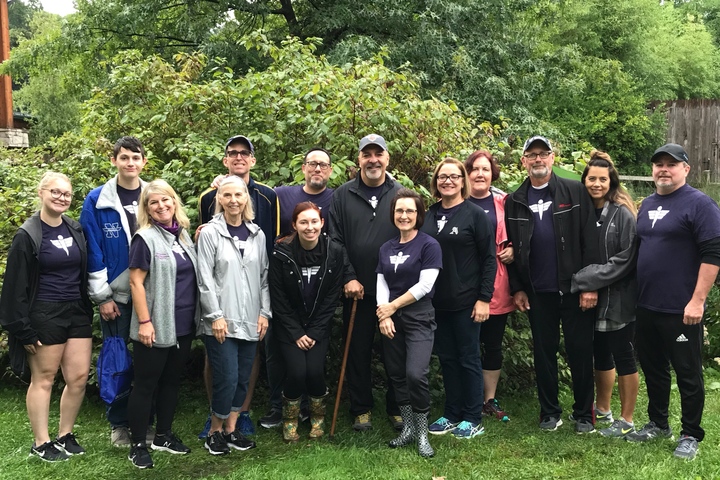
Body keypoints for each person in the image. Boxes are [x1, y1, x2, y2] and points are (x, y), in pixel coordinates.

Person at [625, 143, 720, 460]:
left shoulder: (700, 204)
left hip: (682, 309)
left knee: (688, 372)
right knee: (653, 368)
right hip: (647, 305)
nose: (663, 169)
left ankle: (691, 434)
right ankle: (658, 422)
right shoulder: (647, 203)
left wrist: (698, 301)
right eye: (658, 164)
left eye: (671, 164)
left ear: (685, 169)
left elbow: (713, 254)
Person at [504, 136, 599, 433]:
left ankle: (584, 414)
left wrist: (590, 284)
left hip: (573, 288)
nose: (537, 160)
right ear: (523, 162)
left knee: (580, 350)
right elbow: (512, 247)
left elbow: (590, 242)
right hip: (537, 290)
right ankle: (549, 412)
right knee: (543, 353)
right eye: (531, 155)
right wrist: (518, 287)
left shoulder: (574, 191)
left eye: (543, 154)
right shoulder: (514, 200)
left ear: (553, 157)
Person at [0, 172, 94, 462]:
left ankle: (65, 434)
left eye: (66, 194)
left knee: (77, 377)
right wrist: (22, 329)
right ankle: (41, 442)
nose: (61, 198)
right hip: (44, 311)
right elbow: (14, 287)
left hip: (76, 309)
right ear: (41, 193)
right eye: (55, 192)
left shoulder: (74, 228)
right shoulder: (27, 235)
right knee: (44, 378)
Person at [198, 135, 277, 436]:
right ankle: (216, 426)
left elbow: (264, 275)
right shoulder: (210, 227)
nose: (233, 200)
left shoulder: (258, 233)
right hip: (220, 314)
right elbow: (204, 275)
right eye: (228, 195)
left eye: (239, 196)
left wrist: (264, 313)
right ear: (219, 198)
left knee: (242, 374)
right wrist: (213, 314)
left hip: (251, 312)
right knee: (225, 374)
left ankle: (232, 426)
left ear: (247, 199)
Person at [329, 133, 403, 431]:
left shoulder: (401, 193)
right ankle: (361, 409)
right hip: (357, 291)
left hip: (394, 292)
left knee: (395, 351)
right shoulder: (342, 195)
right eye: (366, 154)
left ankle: (397, 407)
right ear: (358, 159)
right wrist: (348, 276)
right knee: (357, 352)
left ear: (387, 158)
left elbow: (410, 239)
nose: (373, 159)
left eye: (378, 153)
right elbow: (335, 241)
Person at [79, 136, 149, 446]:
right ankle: (119, 423)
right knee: (118, 359)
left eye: (136, 158)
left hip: (150, 293)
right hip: (115, 297)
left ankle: (145, 420)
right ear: (114, 161)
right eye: (124, 158)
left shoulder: (154, 195)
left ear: (143, 162)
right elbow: (92, 249)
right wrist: (102, 296)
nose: (130, 163)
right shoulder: (97, 199)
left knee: (149, 359)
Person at [258, 147, 334, 430]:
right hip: (285, 280)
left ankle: (307, 410)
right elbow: (245, 198)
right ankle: (278, 408)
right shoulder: (281, 194)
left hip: (317, 287)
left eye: (323, 164)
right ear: (303, 167)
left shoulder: (337, 198)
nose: (317, 169)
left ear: (330, 170)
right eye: (312, 164)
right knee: (277, 355)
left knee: (311, 363)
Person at [419, 157, 496, 439]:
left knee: (468, 358)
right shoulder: (428, 215)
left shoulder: (475, 215)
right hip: (436, 302)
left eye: (453, 176)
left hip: (467, 301)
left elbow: (489, 260)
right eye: (442, 177)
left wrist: (484, 298)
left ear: (463, 180)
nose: (447, 181)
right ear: (436, 182)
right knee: (447, 359)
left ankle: (472, 416)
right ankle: (451, 413)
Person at [126, 180, 199, 469]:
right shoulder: (145, 239)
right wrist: (145, 321)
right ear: (147, 208)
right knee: (145, 385)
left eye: (166, 200)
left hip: (182, 323)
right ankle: (138, 445)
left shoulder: (183, 236)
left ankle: (164, 435)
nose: (161, 206)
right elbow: (135, 281)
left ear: (174, 202)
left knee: (171, 381)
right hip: (154, 325)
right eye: (154, 202)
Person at [571, 151, 640, 437]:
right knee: (600, 353)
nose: (596, 184)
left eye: (602, 179)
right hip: (593, 299)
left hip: (619, 297)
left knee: (623, 353)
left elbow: (625, 260)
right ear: (584, 180)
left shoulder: (622, 214)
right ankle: (603, 408)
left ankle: (627, 418)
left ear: (611, 181)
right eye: (591, 178)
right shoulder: (582, 210)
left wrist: (583, 280)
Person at [269, 202, 345, 442]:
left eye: (314, 221)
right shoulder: (281, 253)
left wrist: (313, 332)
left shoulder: (334, 251)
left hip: (317, 326)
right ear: (294, 225)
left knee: (314, 371)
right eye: (303, 222)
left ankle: (317, 418)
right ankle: (289, 419)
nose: (309, 227)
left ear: (322, 223)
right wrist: (296, 332)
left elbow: (332, 297)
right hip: (289, 326)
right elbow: (278, 298)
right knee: (296, 371)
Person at [377, 189, 442, 457]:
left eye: (410, 211)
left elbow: (425, 285)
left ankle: (422, 432)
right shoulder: (385, 247)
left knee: (416, 374)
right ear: (393, 215)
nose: (404, 215)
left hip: (419, 317)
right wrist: (384, 314)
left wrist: (392, 307)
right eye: (400, 211)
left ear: (419, 215)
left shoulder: (429, 245)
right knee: (397, 375)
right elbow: (381, 282)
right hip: (391, 319)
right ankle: (408, 430)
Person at [464, 150, 515, 422]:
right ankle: (467, 396)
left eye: (485, 169)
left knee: (492, 344)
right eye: (474, 169)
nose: (480, 174)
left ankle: (488, 399)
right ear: (467, 174)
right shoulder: (456, 201)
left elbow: (521, 233)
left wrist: (514, 249)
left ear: (492, 173)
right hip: (464, 283)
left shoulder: (503, 203)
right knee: (466, 343)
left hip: (497, 281)